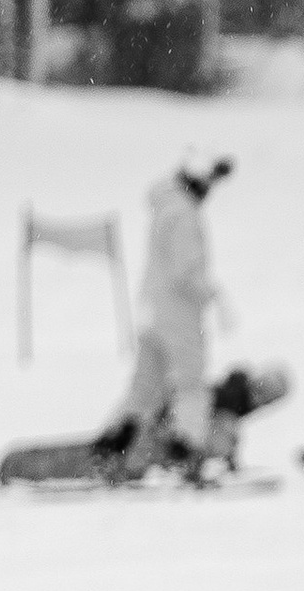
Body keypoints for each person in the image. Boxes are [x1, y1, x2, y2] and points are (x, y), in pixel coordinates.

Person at [93, 159, 233, 474]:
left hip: (153, 312)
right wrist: (214, 295)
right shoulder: (184, 214)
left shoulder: (165, 208)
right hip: (180, 317)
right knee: (190, 385)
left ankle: (114, 442)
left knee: (144, 386)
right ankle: (186, 450)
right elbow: (187, 271)